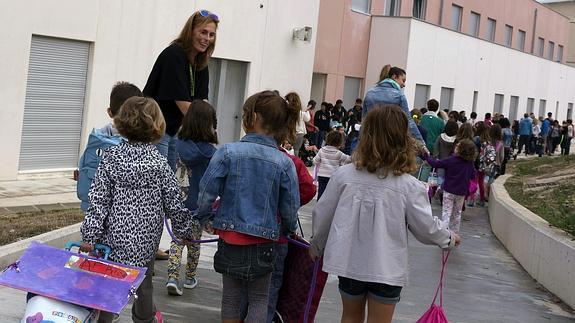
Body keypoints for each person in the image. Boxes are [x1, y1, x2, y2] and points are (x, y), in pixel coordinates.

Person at [309, 105, 460, 323]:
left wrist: (316, 246)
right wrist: (448, 238)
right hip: (387, 267)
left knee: (350, 317)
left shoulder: (343, 176)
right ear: (403, 139)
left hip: (349, 261)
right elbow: (425, 228)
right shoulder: (409, 185)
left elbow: (323, 214)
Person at [80, 97, 200, 323]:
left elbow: (98, 201)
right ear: (158, 126)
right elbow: (174, 202)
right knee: (143, 283)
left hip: (111, 240)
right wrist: (184, 230)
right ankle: (145, 318)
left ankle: (104, 319)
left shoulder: (111, 158)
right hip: (145, 243)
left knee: (108, 284)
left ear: (122, 122)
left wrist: (90, 235)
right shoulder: (160, 163)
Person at [195, 91, 300, 323]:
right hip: (265, 241)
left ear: (253, 118)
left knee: (231, 298)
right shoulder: (284, 162)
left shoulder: (227, 152)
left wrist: (204, 218)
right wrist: (288, 229)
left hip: (230, 237)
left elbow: (206, 190)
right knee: (260, 298)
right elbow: (291, 206)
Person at [143, 10, 219, 171]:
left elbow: (201, 102)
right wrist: (206, 134)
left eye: (211, 35)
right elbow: (184, 105)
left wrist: (211, 127)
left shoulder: (201, 61)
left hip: (174, 130)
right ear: (191, 31)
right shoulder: (174, 55)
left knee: (170, 182)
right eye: (203, 32)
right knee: (158, 180)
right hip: (154, 129)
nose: (207, 38)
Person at [165, 100, 218, 296]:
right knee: (194, 241)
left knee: (177, 239)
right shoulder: (211, 153)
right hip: (198, 203)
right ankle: (189, 277)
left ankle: (172, 277)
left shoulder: (176, 144)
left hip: (178, 200)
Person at [77, 82, 143, 212]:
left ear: (110, 112)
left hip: (91, 208)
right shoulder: (138, 145)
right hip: (120, 214)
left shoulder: (96, 138)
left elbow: (82, 164)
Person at [363, 65, 426, 147]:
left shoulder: (369, 93)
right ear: (394, 77)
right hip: (392, 143)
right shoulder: (399, 96)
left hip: (372, 142)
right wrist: (421, 143)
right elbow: (408, 121)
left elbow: (364, 121)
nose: (404, 84)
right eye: (403, 80)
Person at [425, 139, 477, 233]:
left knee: (446, 213)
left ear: (460, 149)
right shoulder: (469, 164)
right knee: (457, 215)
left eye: (458, 146)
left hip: (449, 191)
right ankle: (454, 235)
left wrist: (426, 156)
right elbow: (473, 175)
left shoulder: (451, 160)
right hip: (461, 192)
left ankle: (444, 235)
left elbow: (436, 164)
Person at [313, 130, 351, 199]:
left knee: (321, 191)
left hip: (322, 175)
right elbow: (348, 159)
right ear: (340, 141)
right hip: (333, 176)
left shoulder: (322, 150)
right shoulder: (338, 153)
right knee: (331, 193)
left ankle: (319, 205)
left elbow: (315, 161)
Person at [288, 92, 310, 158]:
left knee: (288, 148)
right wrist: (307, 111)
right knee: (296, 149)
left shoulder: (288, 112)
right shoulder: (301, 113)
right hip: (300, 133)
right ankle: (295, 162)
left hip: (290, 132)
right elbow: (307, 119)